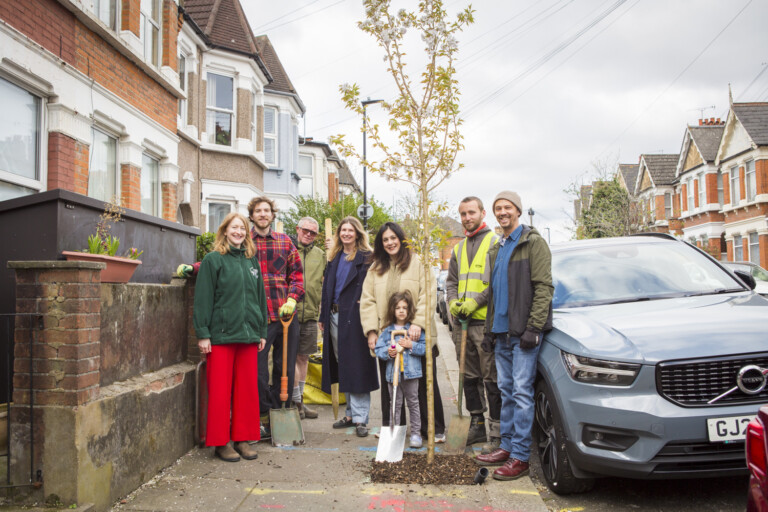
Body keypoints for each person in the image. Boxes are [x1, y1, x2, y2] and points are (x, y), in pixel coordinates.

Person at [474, 191, 553, 481]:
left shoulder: (533, 243)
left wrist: (534, 327)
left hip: (523, 335)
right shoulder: (498, 248)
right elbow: (494, 294)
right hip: (501, 334)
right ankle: (506, 446)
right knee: (506, 391)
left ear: (518, 210)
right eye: (498, 208)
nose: (502, 212)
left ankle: (520, 457)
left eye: (507, 207)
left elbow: (544, 288)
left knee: (521, 392)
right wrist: (488, 331)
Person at [360, 222, 446, 443]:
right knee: (391, 382)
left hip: (417, 335)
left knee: (424, 382)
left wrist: (418, 322)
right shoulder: (376, 267)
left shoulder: (418, 263)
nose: (390, 243)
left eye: (393, 238)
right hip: (388, 335)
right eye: (385, 239)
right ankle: (394, 428)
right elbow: (367, 300)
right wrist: (371, 331)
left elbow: (428, 294)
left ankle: (433, 429)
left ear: (401, 238)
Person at [193, 212, 267, 462]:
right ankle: (221, 442)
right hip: (221, 337)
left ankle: (243, 439)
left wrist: (261, 331)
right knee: (220, 392)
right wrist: (203, 333)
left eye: (243, 229)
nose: (239, 232)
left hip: (248, 335)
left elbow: (260, 299)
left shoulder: (251, 261)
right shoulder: (213, 260)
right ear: (225, 231)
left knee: (247, 391)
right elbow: (203, 299)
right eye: (234, 228)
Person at [446, 196, 502, 452]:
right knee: (468, 376)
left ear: (482, 213)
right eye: (463, 214)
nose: (467, 218)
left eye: (471, 212)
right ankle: (476, 422)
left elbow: (496, 283)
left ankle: (497, 431)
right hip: (462, 324)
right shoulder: (458, 249)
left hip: (485, 324)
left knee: (491, 377)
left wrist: (475, 302)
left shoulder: (494, 243)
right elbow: (451, 282)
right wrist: (453, 302)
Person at [248, 197, 305, 440]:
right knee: (258, 370)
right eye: (258, 211)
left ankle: (281, 413)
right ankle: (263, 415)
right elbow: (218, 262)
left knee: (285, 368)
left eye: (266, 211)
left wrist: (292, 299)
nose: (262, 214)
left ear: (273, 215)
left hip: (285, 317)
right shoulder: (244, 243)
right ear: (251, 216)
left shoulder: (285, 242)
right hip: (257, 318)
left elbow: (298, 277)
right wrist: (193, 268)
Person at [319, 216, 378, 437]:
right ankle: (351, 414)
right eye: (343, 230)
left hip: (356, 317)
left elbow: (372, 287)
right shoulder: (334, 257)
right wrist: (323, 317)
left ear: (358, 233)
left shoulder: (366, 258)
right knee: (343, 364)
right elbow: (328, 290)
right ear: (338, 234)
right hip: (335, 317)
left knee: (358, 365)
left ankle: (362, 418)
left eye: (350, 230)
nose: (346, 234)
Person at [374, 290, 426, 449]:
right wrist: (387, 353)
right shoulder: (387, 331)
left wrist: (411, 345)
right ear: (393, 310)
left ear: (409, 310)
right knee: (394, 404)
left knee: (413, 403)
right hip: (393, 374)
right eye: (398, 308)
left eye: (404, 307)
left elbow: (424, 348)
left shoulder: (414, 331)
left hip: (411, 374)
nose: (401, 310)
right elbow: (378, 349)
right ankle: (393, 432)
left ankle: (416, 433)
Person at [292, 217, 326, 420]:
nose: (309, 234)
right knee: (289, 359)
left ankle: (300, 401)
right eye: (306, 230)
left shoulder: (320, 255)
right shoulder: (288, 249)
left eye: (313, 232)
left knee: (303, 358)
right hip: (290, 314)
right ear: (298, 229)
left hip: (311, 314)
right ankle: (294, 402)